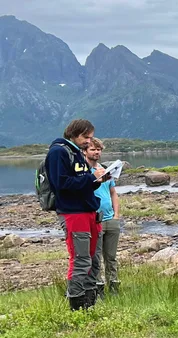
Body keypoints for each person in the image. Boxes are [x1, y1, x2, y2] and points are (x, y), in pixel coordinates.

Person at [45, 119, 110, 310]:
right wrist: (91, 178)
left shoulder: (77, 153)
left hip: (89, 211)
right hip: (73, 213)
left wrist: (98, 180)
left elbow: (81, 183)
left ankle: (90, 303)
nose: (89, 142)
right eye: (86, 137)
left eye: (90, 137)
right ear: (73, 133)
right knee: (81, 259)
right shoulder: (58, 152)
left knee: (93, 260)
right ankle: (76, 304)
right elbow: (62, 184)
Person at [85, 137, 122, 296]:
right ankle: (98, 289)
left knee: (111, 257)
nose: (96, 152)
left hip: (110, 219)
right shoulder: (84, 172)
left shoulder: (105, 170)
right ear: (85, 151)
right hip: (95, 219)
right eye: (93, 149)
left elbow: (113, 193)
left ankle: (114, 288)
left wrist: (116, 215)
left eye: (99, 149)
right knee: (95, 258)